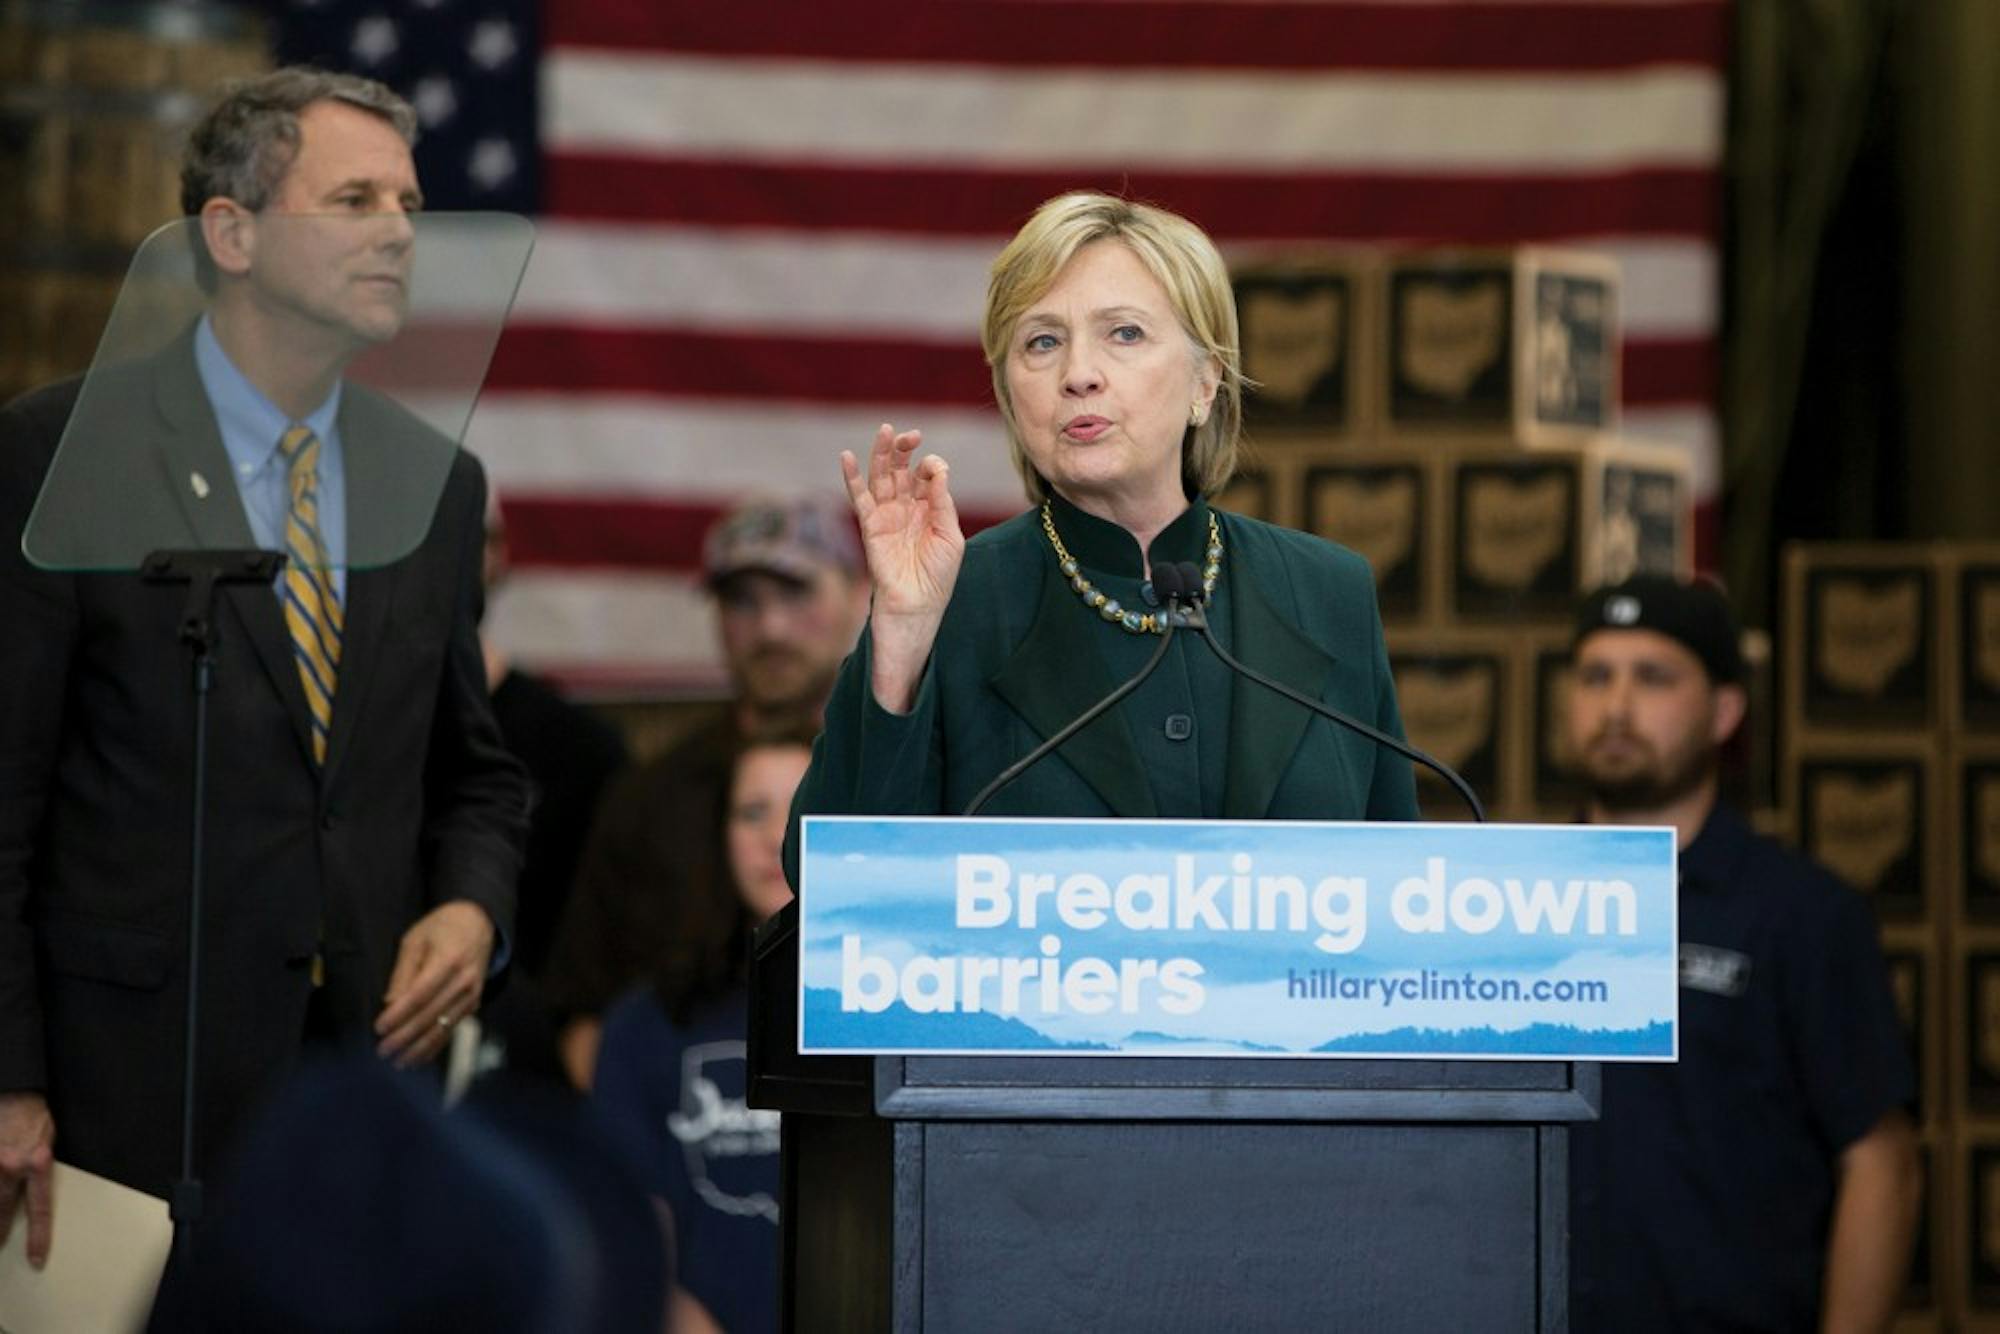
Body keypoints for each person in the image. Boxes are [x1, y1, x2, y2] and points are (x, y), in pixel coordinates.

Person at [0, 68, 529, 1267]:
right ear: (231, 234)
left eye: (408, 203)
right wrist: (9, 1078)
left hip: (357, 1092)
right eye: (354, 200)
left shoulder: (434, 482)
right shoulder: (61, 450)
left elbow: (476, 774)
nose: (399, 231)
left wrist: (469, 907)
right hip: (115, 1102)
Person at [788, 191, 1416, 843]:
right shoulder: (956, 599)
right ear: (1010, 395)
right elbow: (828, 869)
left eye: (1125, 333)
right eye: (1042, 342)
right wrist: (904, 634)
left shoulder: (1326, 592)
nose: (1079, 374)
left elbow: (1403, 872)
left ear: (1205, 383)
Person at [1564, 574, 1921, 1332]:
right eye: (1595, 676)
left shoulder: (1804, 914)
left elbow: (1880, 1162)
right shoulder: (1508, 900)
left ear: (1725, 711)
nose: (1617, 706)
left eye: (1653, 677)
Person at [544, 497, 866, 1088]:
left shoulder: (906, 774)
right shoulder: (649, 797)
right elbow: (583, 1009)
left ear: (859, 592)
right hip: (686, 1118)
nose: (770, 628)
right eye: (742, 601)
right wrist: (636, 1135)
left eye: (795, 593)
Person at [593, 723, 817, 1334]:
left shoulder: (896, 1011)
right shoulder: (648, 1022)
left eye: (803, 808)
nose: (777, 837)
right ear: (719, 834)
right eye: (753, 813)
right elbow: (629, 1232)